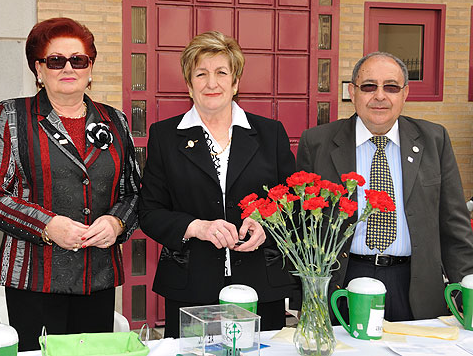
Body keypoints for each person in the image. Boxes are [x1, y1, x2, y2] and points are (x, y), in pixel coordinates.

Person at [0, 17, 140, 350]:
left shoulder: (115, 119)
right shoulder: (12, 116)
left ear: (90, 68)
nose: (68, 68)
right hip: (34, 278)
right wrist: (47, 225)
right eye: (55, 60)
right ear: (38, 70)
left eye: (78, 60)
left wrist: (117, 222)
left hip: (98, 277)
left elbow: (135, 192)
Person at [138, 31, 296, 338]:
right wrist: (196, 227)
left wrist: (268, 225)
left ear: (236, 82)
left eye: (222, 72)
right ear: (189, 84)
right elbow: (150, 212)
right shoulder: (165, 137)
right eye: (201, 74)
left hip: (261, 285)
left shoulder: (269, 133)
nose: (212, 83)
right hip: (190, 287)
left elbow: (293, 201)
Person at [297, 51, 473, 321]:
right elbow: (303, 228)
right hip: (343, 284)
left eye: (391, 87)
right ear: (353, 92)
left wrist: (465, 290)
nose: (380, 96)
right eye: (369, 86)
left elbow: (454, 225)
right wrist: (306, 296)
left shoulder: (434, 140)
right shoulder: (317, 143)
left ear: (405, 94)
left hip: (414, 286)